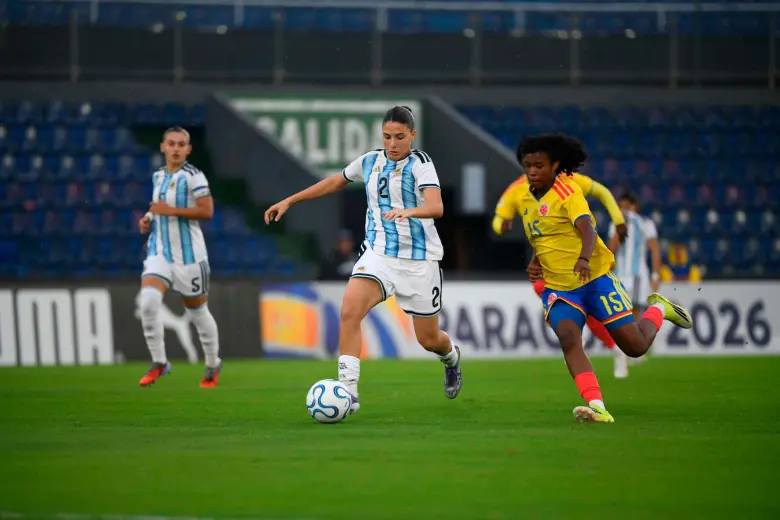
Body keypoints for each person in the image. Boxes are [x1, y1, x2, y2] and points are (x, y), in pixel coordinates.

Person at [264, 106, 462, 415]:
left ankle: (451, 358)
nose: (392, 143)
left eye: (399, 137)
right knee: (350, 310)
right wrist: (290, 200)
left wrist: (409, 211)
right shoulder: (369, 161)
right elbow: (334, 182)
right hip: (378, 254)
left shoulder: (421, 164)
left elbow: (436, 207)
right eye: (386, 136)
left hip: (418, 261)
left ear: (412, 135)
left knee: (428, 338)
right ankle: (348, 391)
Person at [518, 134, 692, 423]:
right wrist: (536, 261)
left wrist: (584, 259)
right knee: (568, 337)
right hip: (561, 288)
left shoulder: (568, 193)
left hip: (596, 278)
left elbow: (586, 230)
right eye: (528, 166)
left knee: (635, 347)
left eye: (539, 165)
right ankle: (596, 405)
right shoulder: (526, 199)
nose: (533, 171)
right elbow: (544, 236)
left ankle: (660, 308)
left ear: (555, 165)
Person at [492, 162, 628, 354]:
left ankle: (611, 345)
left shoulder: (567, 180)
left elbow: (602, 192)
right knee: (544, 288)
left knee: (588, 306)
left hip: (579, 258)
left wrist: (619, 220)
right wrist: (502, 226)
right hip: (548, 261)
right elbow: (498, 221)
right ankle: (605, 345)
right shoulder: (516, 189)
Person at [137, 126, 222, 388]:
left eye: (181, 144)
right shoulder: (158, 176)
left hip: (190, 258)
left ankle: (212, 364)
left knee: (197, 313)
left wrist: (169, 210)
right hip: (160, 252)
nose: (176, 149)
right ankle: (159, 362)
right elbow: (157, 206)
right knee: (149, 301)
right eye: (171, 144)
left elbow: (207, 211)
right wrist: (149, 218)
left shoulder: (194, 177)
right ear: (163, 147)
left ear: (188, 149)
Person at [607, 193, 662, 378]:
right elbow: (610, 250)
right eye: (619, 206)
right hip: (618, 275)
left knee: (633, 313)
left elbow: (654, 249)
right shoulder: (613, 224)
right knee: (621, 315)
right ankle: (629, 351)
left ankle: (632, 349)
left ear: (633, 206)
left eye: (625, 206)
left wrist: (655, 274)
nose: (622, 210)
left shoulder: (644, 223)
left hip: (637, 275)